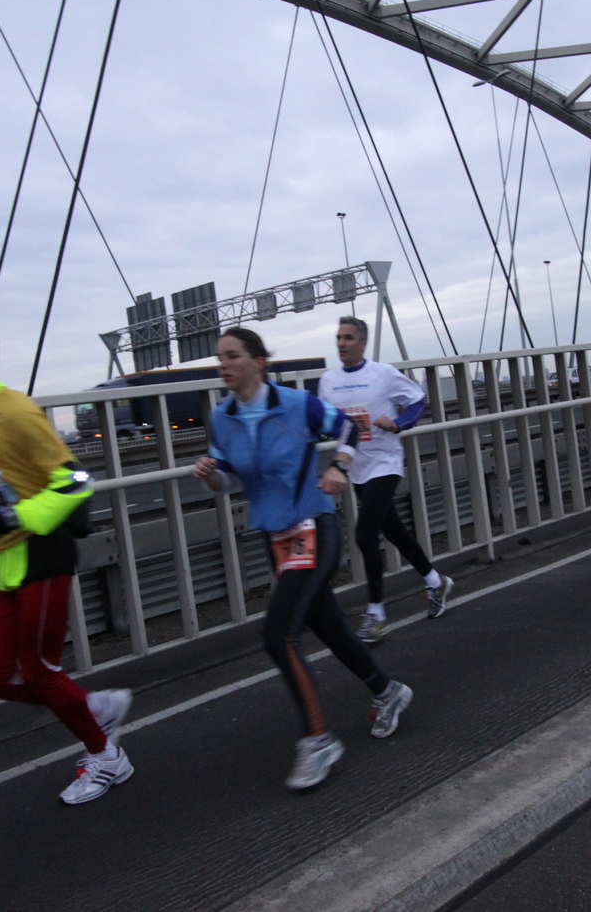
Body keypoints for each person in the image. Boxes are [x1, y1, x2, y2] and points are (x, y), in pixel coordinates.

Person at [193, 327, 414, 790]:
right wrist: (209, 475)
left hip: (313, 525)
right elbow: (226, 479)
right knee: (328, 626)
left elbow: (349, 428)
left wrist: (338, 466)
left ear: (258, 361)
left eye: (232, 356)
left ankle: (318, 740)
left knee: (278, 634)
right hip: (274, 536)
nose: (223, 365)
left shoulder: (297, 404)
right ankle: (388, 691)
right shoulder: (222, 416)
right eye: (219, 358)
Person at [0, 324, 134, 805]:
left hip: (43, 555)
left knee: (40, 671)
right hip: (6, 562)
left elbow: (75, 482)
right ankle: (90, 707)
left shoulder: (17, 411)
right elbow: (2, 485)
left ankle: (105, 756)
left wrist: (9, 518)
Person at [318, 316, 454, 644]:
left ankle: (376, 613)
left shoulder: (383, 374)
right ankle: (436, 582)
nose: (342, 343)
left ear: (363, 343)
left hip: (385, 462)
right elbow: (325, 421)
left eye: (349, 338)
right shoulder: (328, 380)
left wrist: (399, 424)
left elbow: (417, 401)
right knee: (394, 530)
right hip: (355, 467)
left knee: (365, 534)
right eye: (339, 337)